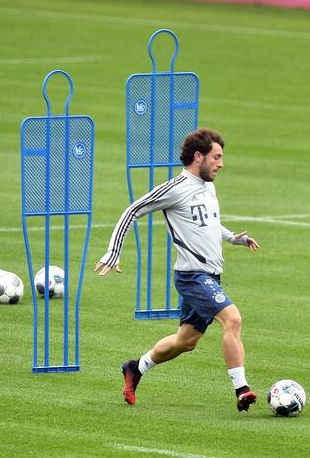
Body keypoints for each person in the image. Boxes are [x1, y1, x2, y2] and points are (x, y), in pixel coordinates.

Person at [95, 128, 260, 411]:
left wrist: (233, 237)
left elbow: (208, 222)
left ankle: (135, 368)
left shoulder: (209, 185)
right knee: (232, 320)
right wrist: (113, 251)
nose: (221, 164)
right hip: (192, 277)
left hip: (210, 276)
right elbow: (133, 210)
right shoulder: (175, 189)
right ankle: (242, 390)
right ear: (199, 157)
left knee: (185, 342)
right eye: (216, 157)